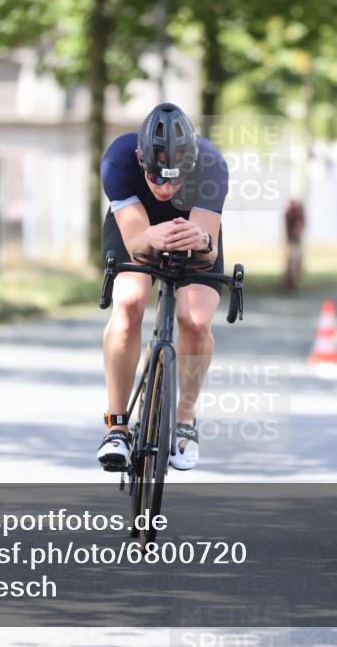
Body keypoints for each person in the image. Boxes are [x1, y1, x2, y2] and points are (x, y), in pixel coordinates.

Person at [96, 103, 228, 473]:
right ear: (141, 160)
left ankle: (184, 417)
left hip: (193, 227)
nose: (166, 188)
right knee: (129, 304)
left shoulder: (212, 165)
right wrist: (149, 236)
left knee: (195, 320)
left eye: (176, 179)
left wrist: (202, 241)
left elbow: (207, 254)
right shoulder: (118, 160)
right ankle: (117, 426)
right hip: (136, 225)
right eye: (156, 178)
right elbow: (136, 243)